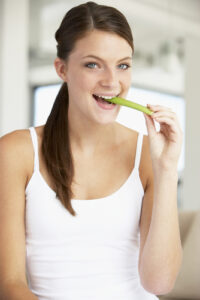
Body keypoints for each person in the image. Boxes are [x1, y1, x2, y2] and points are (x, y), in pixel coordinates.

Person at [0, 1, 183, 299]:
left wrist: (165, 170)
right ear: (62, 69)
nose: (112, 82)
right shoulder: (16, 152)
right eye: (93, 64)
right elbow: (10, 284)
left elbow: (159, 283)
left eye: (122, 65)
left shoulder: (148, 153)